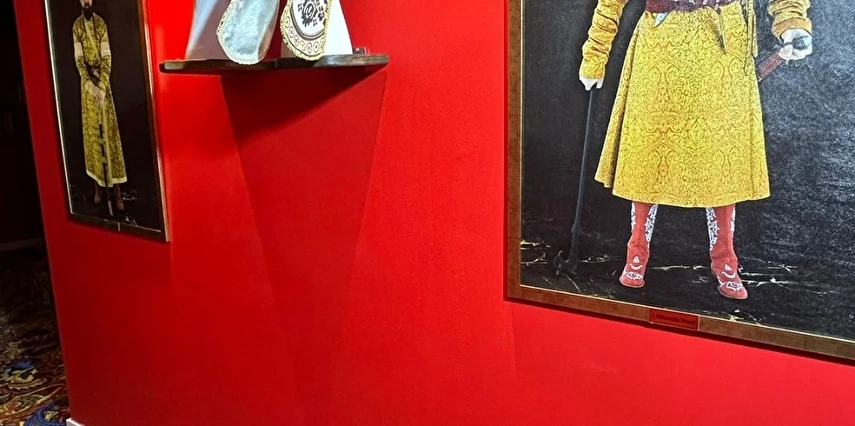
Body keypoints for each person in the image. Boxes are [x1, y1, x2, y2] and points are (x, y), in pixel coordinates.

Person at [579, 0, 813, 299]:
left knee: (722, 155)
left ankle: (725, 258)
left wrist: (792, 22)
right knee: (650, 148)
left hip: (726, 46)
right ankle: (636, 249)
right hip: (664, 42)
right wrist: (595, 53)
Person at [73, 0, 127, 211]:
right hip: (88, 90)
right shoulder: (77, 27)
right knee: (93, 138)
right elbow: (79, 61)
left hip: (104, 88)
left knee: (110, 135)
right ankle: (97, 187)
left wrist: (102, 86)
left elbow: (107, 57)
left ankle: (117, 191)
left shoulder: (101, 24)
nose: (87, 2)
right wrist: (89, 85)